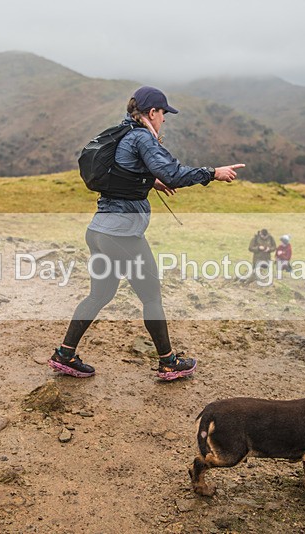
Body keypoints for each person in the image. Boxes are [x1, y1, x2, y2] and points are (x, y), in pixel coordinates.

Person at [49, 86, 245, 380]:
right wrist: (212, 173)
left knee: (99, 294)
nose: (164, 119)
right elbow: (173, 173)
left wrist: (150, 181)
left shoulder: (123, 134)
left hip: (99, 232)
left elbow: (122, 172)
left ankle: (65, 355)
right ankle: (168, 362)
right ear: (152, 113)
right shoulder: (141, 137)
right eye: (163, 113)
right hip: (122, 236)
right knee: (152, 295)